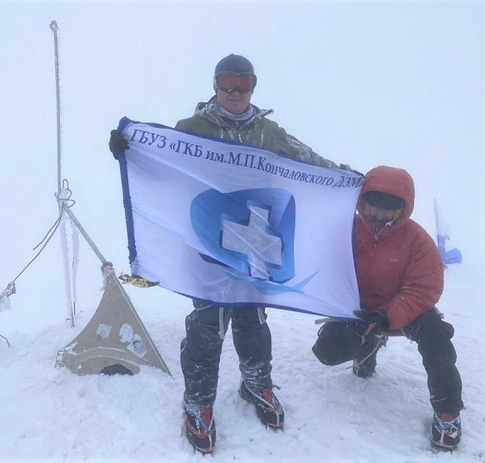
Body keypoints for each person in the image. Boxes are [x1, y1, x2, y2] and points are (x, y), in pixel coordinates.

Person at [109, 53, 354, 454]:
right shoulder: (192, 129)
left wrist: (346, 181)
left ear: (254, 85)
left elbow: (310, 163)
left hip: (255, 245)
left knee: (252, 318)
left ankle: (256, 382)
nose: (236, 91)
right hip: (207, 244)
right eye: (229, 82)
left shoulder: (269, 132)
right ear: (215, 85)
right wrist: (128, 149)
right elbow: (166, 168)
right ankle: (199, 402)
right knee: (208, 324)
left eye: (244, 82)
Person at [311, 165, 464, 451]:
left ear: (402, 210)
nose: (379, 217)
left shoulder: (418, 241)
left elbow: (424, 289)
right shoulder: (344, 229)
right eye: (373, 207)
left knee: (437, 339)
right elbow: (323, 265)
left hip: (402, 309)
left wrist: (387, 317)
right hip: (358, 309)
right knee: (327, 351)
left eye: (389, 212)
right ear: (362, 202)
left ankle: (448, 411)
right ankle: (365, 349)